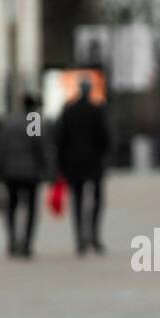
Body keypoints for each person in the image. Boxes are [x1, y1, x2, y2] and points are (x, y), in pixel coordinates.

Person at [0, 93, 49, 258]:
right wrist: (47, 169)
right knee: (30, 209)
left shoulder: (9, 121)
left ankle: (13, 240)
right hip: (30, 173)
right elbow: (40, 148)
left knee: (11, 208)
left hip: (10, 173)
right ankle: (26, 244)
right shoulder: (33, 120)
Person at [55, 79, 110, 255]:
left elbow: (60, 139)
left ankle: (80, 239)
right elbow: (105, 137)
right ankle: (93, 235)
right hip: (93, 163)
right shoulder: (97, 110)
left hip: (74, 164)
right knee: (97, 200)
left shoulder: (68, 110)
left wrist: (61, 164)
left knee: (77, 201)